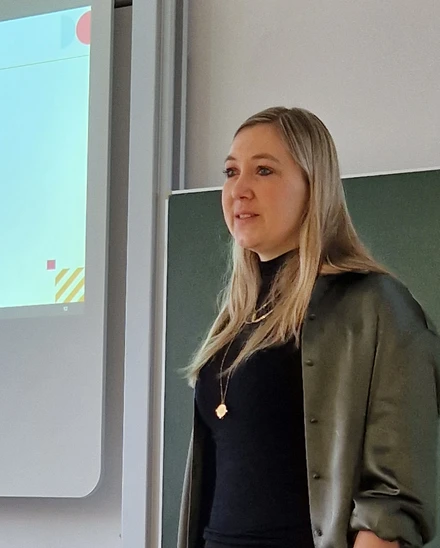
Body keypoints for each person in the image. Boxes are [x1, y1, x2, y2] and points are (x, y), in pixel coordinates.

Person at [177, 106, 440, 548]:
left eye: (263, 171)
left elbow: (392, 505)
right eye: (230, 171)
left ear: (312, 188)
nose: (239, 189)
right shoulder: (235, 320)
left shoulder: (374, 305)